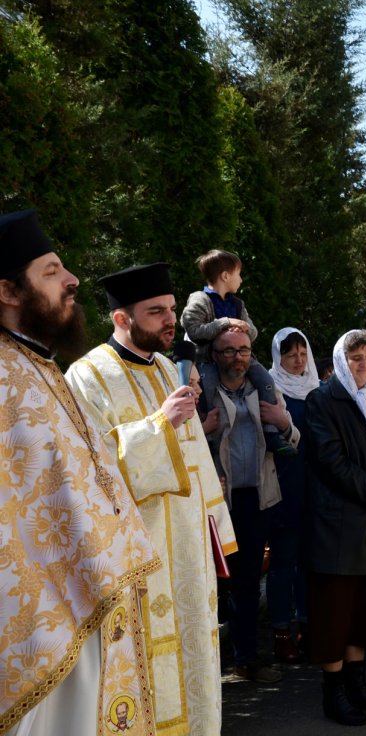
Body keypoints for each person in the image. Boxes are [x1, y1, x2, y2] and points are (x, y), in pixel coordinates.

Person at [0, 211, 159, 736]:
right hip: (37, 636)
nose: (71, 280)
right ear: (7, 290)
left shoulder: (42, 366)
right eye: (50, 271)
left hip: (95, 608)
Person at [65, 262, 237, 735]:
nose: (169, 320)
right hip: (135, 557)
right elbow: (87, 470)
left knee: (196, 659)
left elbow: (197, 458)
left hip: (188, 549)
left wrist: (216, 531)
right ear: (121, 319)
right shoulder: (85, 376)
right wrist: (159, 424)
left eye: (172, 309)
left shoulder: (168, 367)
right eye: (155, 311)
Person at [305, 329, 366, 725]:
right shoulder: (321, 400)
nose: (362, 364)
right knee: (334, 612)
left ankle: (357, 684)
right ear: (340, 360)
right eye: (354, 357)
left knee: (362, 608)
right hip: (338, 524)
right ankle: (334, 692)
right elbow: (333, 464)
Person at [207, 326, 299, 683]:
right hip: (216, 500)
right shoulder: (204, 393)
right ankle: (203, 663)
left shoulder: (263, 389)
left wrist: (282, 420)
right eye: (228, 351)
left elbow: (294, 439)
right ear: (215, 355)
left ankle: (245, 658)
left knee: (246, 582)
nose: (237, 357)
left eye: (244, 350)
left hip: (255, 499)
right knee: (209, 583)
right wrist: (203, 427)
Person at [182, 249, 290, 454]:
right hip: (210, 360)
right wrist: (225, 323)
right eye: (238, 274)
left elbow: (254, 332)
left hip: (242, 359)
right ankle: (209, 437)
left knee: (266, 380)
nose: (241, 279)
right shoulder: (200, 299)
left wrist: (244, 329)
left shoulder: (238, 304)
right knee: (208, 389)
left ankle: (270, 433)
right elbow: (194, 330)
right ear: (225, 275)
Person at [267, 327, 322, 662]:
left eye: (302, 353)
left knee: (309, 561)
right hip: (283, 484)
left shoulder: (318, 389)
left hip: (313, 485)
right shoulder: (271, 388)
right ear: (279, 357)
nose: (298, 360)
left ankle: (307, 626)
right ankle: (281, 631)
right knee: (283, 561)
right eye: (291, 355)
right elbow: (274, 437)